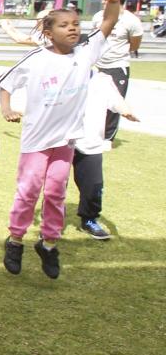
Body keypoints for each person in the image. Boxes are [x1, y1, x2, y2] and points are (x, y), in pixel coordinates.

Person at [0, 0, 125, 279]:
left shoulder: (85, 52)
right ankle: (15, 240)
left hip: (65, 142)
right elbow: (5, 84)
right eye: (64, 25)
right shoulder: (36, 59)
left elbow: (109, 19)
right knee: (28, 191)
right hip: (36, 142)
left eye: (76, 24)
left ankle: (49, 244)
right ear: (48, 32)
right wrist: (7, 108)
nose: (72, 29)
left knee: (55, 192)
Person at [72, 71, 138, 241]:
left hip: (90, 142)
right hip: (62, 140)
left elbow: (116, 101)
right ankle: (51, 224)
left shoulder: (103, 80)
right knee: (55, 186)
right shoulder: (63, 74)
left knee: (93, 185)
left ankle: (89, 219)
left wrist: (126, 111)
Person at [89, 0, 142, 141]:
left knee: (114, 104)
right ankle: (92, 134)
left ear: (118, 1)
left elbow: (134, 45)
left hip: (117, 66)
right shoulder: (98, 17)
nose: (104, 2)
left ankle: (107, 139)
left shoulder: (132, 21)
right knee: (94, 102)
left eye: (108, 0)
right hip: (97, 65)